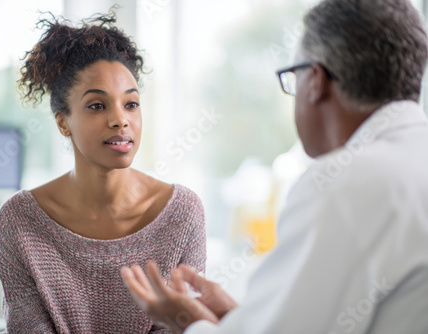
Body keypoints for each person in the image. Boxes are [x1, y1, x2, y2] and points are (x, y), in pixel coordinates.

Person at [121, 0, 428, 333]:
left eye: (292, 77)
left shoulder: (346, 185)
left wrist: (188, 321)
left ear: (316, 81)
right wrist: (240, 319)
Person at [0, 12, 206, 334]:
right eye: (97, 106)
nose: (120, 120)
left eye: (131, 104)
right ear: (63, 122)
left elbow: (185, 326)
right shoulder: (20, 220)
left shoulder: (183, 214)